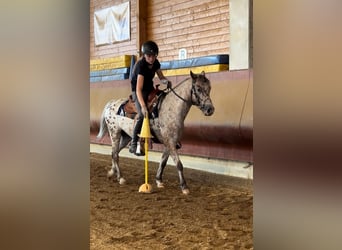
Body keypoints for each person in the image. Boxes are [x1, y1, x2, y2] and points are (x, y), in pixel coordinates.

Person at [129, 40, 171, 155]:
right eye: (149, 56)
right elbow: (138, 89)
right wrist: (142, 106)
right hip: (138, 90)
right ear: (144, 55)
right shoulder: (141, 66)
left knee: (162, 101)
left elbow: (161, 77)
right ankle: (133, 143)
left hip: (149, 88)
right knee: (143, 114)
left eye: (153, 56)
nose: (151, 58)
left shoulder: (156, 63)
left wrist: (166, 81)